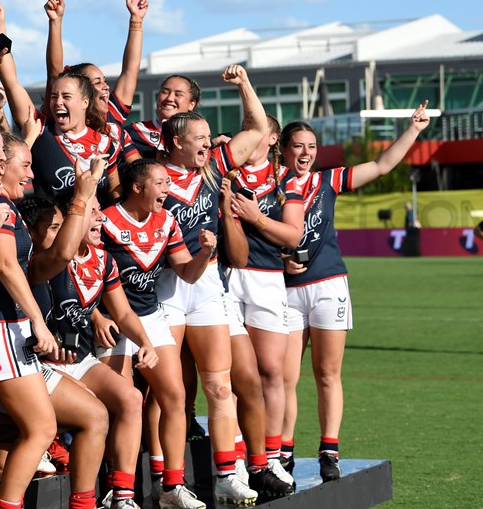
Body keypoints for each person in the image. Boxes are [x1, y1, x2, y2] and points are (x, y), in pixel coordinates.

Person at [280, 102, 431, 482]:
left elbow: (381, 166)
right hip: (284, 290)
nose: (305, 153)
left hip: (329, 285)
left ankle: (329, 450)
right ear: (282, 149)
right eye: (298, 146)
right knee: (283, 377)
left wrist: (413, 130)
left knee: (327, 374)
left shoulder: (326, 180)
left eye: (311, 147)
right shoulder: (270, 184)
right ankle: (281, 453)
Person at [155, 63, 266, 506]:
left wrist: (243, 85)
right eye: (200, 137)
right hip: (163, 289)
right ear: (178, 142)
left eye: (208, 138)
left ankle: (226, 474)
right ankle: (169, 483)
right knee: (171, 395)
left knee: (220, 386)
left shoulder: (213, 167)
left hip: (206, 288)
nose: (209, 142)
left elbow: (257, 128)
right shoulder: (149, 174)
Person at [22, 190, 159, 509]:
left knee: (131, 397)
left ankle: (123, 494)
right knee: (93, 412)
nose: (101, 217)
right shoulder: (42, 259)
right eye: (93, 211)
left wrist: (146, 343)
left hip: (76, 355)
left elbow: (123, 313)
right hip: (39, 363)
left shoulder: (101, 258)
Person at [99, 158, 216, 509]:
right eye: (162, 183)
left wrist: (205, 253)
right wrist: (93, 317)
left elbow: (187, 273)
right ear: (138, 187)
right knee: (119, 405)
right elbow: (84, 271)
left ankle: (171, 486)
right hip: (111, 319)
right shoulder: (104, 221)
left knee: (175, 396)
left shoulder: (167, 221)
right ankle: (116, 488)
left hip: (149, 316)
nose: (169, 190)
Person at [0, 131, 61, 509]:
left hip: (2, 328)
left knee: (15, 433)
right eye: (24, 164)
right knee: (41, 428)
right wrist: (38, 321)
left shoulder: (1, 202)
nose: (31, 172)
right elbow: (6, 265)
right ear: (0, 165)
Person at [227, 115, 304, 498]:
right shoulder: (226, 168)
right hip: (224, 276)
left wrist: (256, 218)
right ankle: (239, 458)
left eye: (256, 128)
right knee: (232, 376)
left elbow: (293, 233)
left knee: (271, 372)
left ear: (272, 137)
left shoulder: (284, 178)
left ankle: (271, 455)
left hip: (267, 277)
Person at [0, 0, 121, 205]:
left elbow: (115, 190)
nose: (57, 102)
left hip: (94, 234)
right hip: (50, 234)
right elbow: (12, 82)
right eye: (53, 96)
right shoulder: (40, 130)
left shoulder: (105, 143)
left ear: (85, 102)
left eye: (66, 96)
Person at [42, 0, 148, 164]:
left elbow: (130, 70)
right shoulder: (62, 119)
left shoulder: (112, 114)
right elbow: (54, 73)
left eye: (104, 81)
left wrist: (136, 21)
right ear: (82, 93)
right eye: (97, 82)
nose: (106, 87)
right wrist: (55, 21)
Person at [125, 75, 200, 159]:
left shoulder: (199, 139)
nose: (169, 98)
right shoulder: (132, 133)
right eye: (165, 92)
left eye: (178, 94)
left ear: (191, 104)